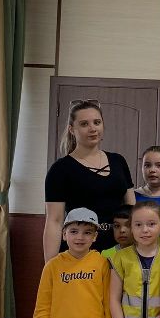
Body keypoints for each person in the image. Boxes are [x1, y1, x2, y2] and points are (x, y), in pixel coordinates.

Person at [44, 100, 135, 260]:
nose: (92, 128)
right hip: (80, 247)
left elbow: (131, 209)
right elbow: (54, 221)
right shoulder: (60, 169)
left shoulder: (118, 161)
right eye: (84, 124)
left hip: (119, 246)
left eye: (97, 122)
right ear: (72, 129)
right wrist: (50, 266)